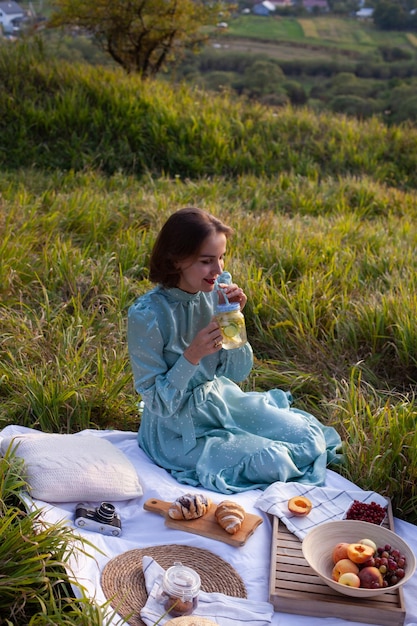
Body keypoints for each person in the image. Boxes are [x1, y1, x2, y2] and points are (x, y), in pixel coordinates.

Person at [127, 208, 342, 494]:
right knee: (272, 460)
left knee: (305, 437)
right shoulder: (148, 315)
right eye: (206, 261)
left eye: (221, 257)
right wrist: (191, 356)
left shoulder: (216, 291)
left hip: (221, 400)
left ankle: (240, 437)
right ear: (176, 259)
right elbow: (157, 402)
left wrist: (233, 320)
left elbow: (237, 372)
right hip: (175, 429)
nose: (217, 270)